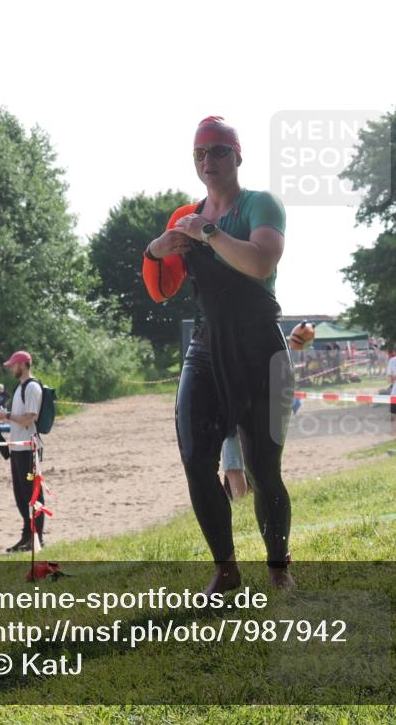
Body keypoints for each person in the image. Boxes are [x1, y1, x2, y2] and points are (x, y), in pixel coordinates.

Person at [142, 116, 294, 594]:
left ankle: (278, 569)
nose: (208, 160)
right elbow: (160, 290)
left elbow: (260, 261)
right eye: (199, 153)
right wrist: (155, 249)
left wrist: (207, 232)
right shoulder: (184, 215)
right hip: (207, 348)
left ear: (237, 155)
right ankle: (226, 570)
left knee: (263, 469)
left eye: (218, 151)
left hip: (259, 347)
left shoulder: (260, 204)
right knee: (195, 458)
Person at [0, 350, 44, 553]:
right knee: (20, 495)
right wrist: (4, 416)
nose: (11, 368)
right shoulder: (20, 387)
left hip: (29, 449)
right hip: (18, 448)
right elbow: (19, 418)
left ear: (22, 365)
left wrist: (6, 415)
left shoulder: (32, 388)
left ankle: (37, 537)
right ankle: (26, 535)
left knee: (32, 494)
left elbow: (29, 419)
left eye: (13, 365)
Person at [221, 430, 248, 500]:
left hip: (231, 430)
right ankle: (239, 502)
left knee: (234, 469)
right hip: (226, 431)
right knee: (230, 470)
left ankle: (241, 502)